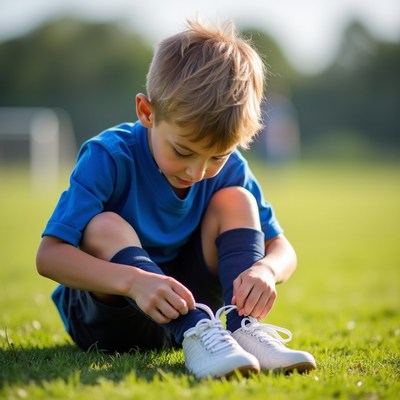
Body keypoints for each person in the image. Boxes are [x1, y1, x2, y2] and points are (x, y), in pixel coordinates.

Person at [36, 19, 316, 379]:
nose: (197, 172)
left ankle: (241, 328)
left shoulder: (231, 167)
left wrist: (266, 269)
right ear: (147, 113)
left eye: (216, 156)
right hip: (116, 317)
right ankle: (194, 329)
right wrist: (133, 281)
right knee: (104, 224)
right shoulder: (108, 155)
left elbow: (283, 249)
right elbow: (49, 256)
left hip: (204, 315)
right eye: (183, 151)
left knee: (236, 200)